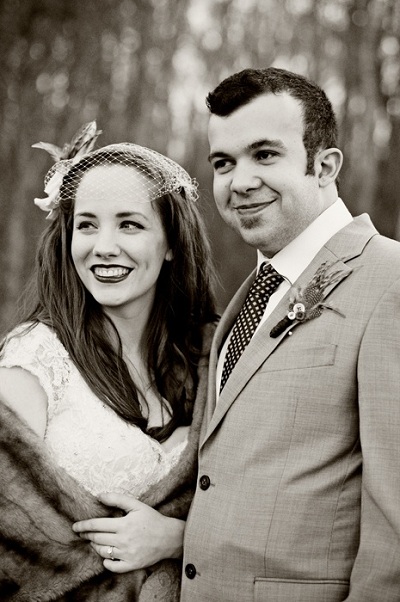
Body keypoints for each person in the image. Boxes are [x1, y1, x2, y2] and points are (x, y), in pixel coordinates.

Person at [180, 67, 400, 601]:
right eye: (223, 163)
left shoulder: (389, 281)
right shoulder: (253, 292)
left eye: (265, 155)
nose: (241, 181)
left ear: (324, 166)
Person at [0, 122, 217, 601]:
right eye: (87, 224)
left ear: (172, 244)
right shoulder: (34, 359)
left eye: (130, 224)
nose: (103, 246)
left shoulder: (208, 361)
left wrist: (179, 538)